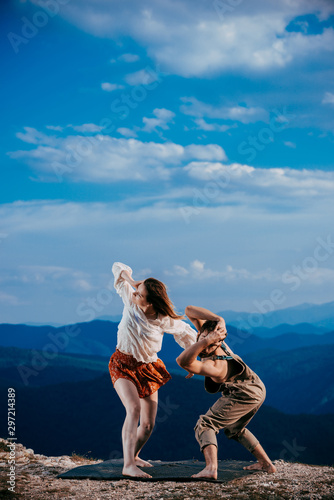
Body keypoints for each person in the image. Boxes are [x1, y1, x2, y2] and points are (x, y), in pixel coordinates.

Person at [109, 262, 197, 478]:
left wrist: (191, 361)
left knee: (148, 425)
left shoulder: (163, 319)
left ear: (151, 302)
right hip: (122, 365)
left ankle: (134, 455)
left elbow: (185, 333)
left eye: (140, 295)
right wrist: (133, 282)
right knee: (133, 409)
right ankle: (128, 465)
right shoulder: (130, 303)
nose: (135, 295)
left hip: (148, 368)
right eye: (136, 293)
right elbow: (117, 268)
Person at [176, 305, 276, 479]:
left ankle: (210, 469)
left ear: (218, 341)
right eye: (202, 336)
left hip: (245, 393)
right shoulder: (216, 341)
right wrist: (219, 319)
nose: (204, 342)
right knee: (235, 429)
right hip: (256, 387)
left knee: (205, 424)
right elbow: (189, 310)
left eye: (209, 340)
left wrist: (204, 341)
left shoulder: (215, 365)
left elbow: (182, 361)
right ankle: (266, 464)